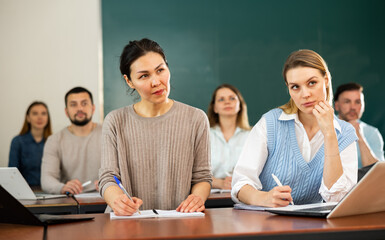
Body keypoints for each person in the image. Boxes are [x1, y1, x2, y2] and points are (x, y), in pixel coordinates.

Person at [99, 38, 212, 216]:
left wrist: (197, 198)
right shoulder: (115, 121)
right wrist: (117, 200)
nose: (156, 81)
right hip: (127, 222)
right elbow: (108, 177)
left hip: (179, 221)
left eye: (160, 70)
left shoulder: (196, 118)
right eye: (144, 76)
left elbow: (202, 177)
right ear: (129, 81)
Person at [231, 49, 358, 207]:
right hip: (264, 221)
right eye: (295, 87)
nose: (305, 94)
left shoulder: (344, 133)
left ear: (325, 80)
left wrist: (330, 134)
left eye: (312, 83)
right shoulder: (270, 123)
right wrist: (263, 198)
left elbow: (337, 199)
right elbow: (240, 183)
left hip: (313, 226)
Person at [41, 87, 102, 194]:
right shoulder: (54, 140)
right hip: (70, 201)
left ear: (93, 108)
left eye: (84, 103)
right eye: (73, 104)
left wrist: (110, 184)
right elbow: (47, 179)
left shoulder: (109, 134)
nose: (79, 109)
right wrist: (62, 187)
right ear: (66, 111)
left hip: (106, 200)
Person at [207, 84, 251, 190]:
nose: (227, 102)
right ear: (215, 108)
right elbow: (193, 174)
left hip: (245, 195)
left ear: (240, 105)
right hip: (210, 196)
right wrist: (219, 183)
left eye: (232, 98)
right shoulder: (204, 135)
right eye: (221, 99)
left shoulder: (252, 135)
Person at [334, 83, 384, 169]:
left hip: (363, 182)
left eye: (357, 102)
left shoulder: (372, 133)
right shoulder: (323, 129)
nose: (353, 107)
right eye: (347, 102)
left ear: (363, 106)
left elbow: (377, 172)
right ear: (337, 106)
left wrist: (360, 138)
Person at [8, 101, 52, 187]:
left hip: (51, 191)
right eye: (35, 113)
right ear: (28, 118)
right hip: (24, 191)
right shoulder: (17, 141)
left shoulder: (54, 141)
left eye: (43, 113)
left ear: (48, 118)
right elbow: (12, 173)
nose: (40, 117)